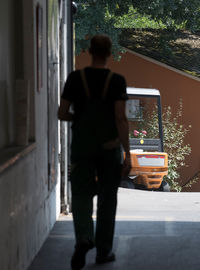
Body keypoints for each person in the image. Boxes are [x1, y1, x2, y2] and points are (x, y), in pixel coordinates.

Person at [58, 34, 131, 270]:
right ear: (109, 53)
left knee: (80, 196)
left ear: (90, 52)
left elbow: (62, 113)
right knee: (107, 201)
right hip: (109, 149)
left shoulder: (74, 78)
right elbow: (120, 118)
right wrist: (128, 153)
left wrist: (78, 119)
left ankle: (84, 238)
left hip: (81, 147)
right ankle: (103, 251)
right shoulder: (117, 81)